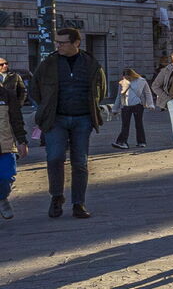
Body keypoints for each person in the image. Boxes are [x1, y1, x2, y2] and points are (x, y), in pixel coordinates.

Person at [33, 28, 106, 219]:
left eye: (62, 42)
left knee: (80, 162)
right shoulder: (48, 63)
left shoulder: (91, 64)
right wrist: (46, 108)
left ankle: (78, 204)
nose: (58, 45)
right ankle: (56, 197)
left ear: (76, 43)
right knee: (55, 158)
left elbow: (102, 90)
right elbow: (35, 89)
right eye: (57, 42)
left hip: (83, 119)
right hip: (56, 119)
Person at [1, 55, 26, 220]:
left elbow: (16, 119)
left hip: (6, 144)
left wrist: (22, 140)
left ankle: (2, 197)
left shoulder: (6, 94)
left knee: (7, 176)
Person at [111, 69, 150, 149]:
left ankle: (141, 142)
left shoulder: (141, 81)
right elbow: (119, 96)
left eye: (127, 77)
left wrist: (150, 104)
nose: (126, 78)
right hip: (126, 106)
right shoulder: (122, 83)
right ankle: (123, 142)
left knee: (138, 124)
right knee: (125, 125)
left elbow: (147, 92)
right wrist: (115, 109)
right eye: (124, 77)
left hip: (138, 105)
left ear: (132, 75)